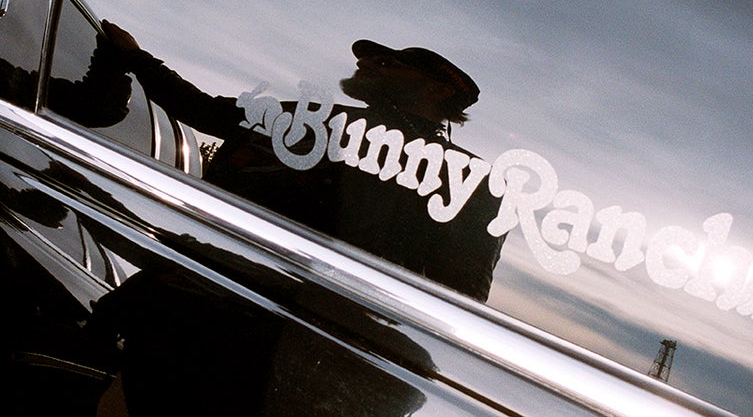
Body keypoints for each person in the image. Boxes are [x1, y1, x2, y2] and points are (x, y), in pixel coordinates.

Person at [99, 21, 505, 302]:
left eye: (387, 63)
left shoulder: (469, 181)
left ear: (435, 89)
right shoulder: (317, 120)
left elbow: (459, 296)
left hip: (315, 347)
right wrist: (135, 58)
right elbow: (204, 111)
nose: (364, 63)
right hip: (199, 300)